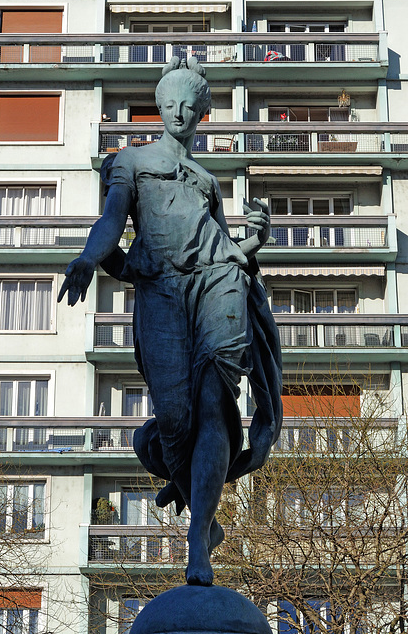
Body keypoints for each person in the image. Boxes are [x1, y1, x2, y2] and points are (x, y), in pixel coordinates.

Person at [58, 56, 282, 586]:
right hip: (160, 288)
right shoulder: (131, 163)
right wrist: (91, 259)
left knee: (213, 405)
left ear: (202, 111)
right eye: (169, 103)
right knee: (176, 419)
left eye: (189, 103)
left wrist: (257, 240)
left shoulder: (206, 180)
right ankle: (199, 502)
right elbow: (111, 220)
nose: (178, 111)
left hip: (216, 283)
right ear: (158, 108)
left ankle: (196, 545)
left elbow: (225, 247)